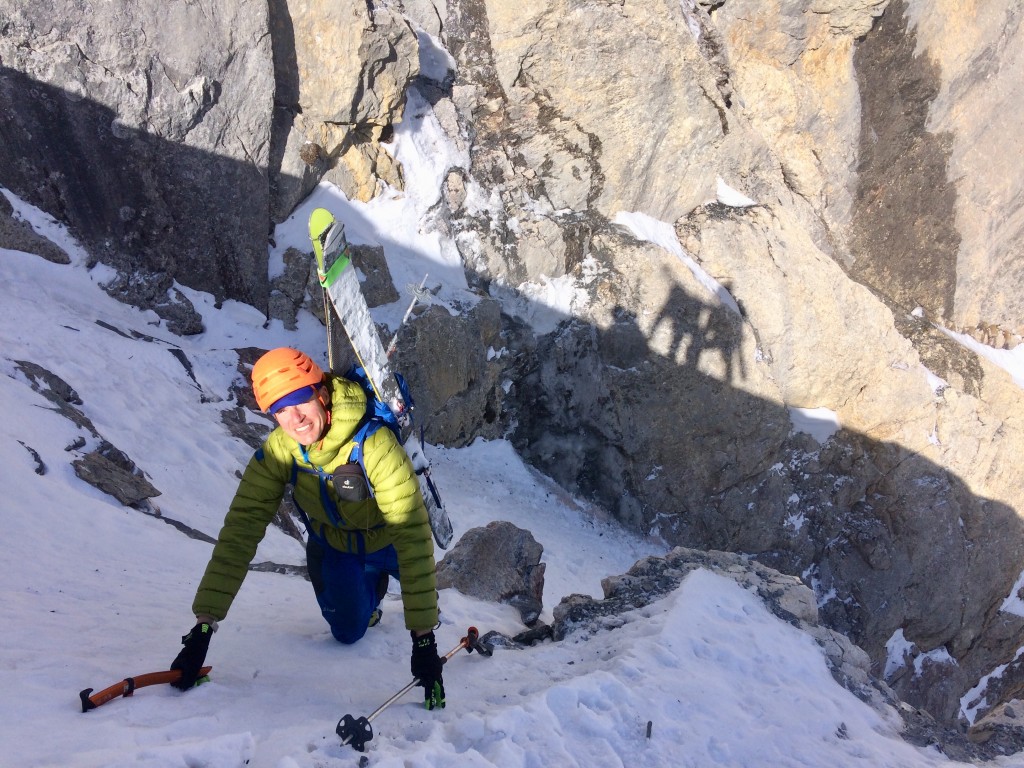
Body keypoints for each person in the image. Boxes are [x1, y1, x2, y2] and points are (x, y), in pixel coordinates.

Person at [169, 347, 446, 709]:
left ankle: (377, 576)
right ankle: (371, 591)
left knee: (412, 573)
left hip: (389, 539)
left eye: (300, 400)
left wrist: (424, 641)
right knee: (347, 633)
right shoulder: (281, 450)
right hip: (337, 547)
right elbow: (241, 528)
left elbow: (411, 534)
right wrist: (203, 627)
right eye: (280, 410)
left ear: (322, 393)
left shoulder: (374, 443)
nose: (294, 418)